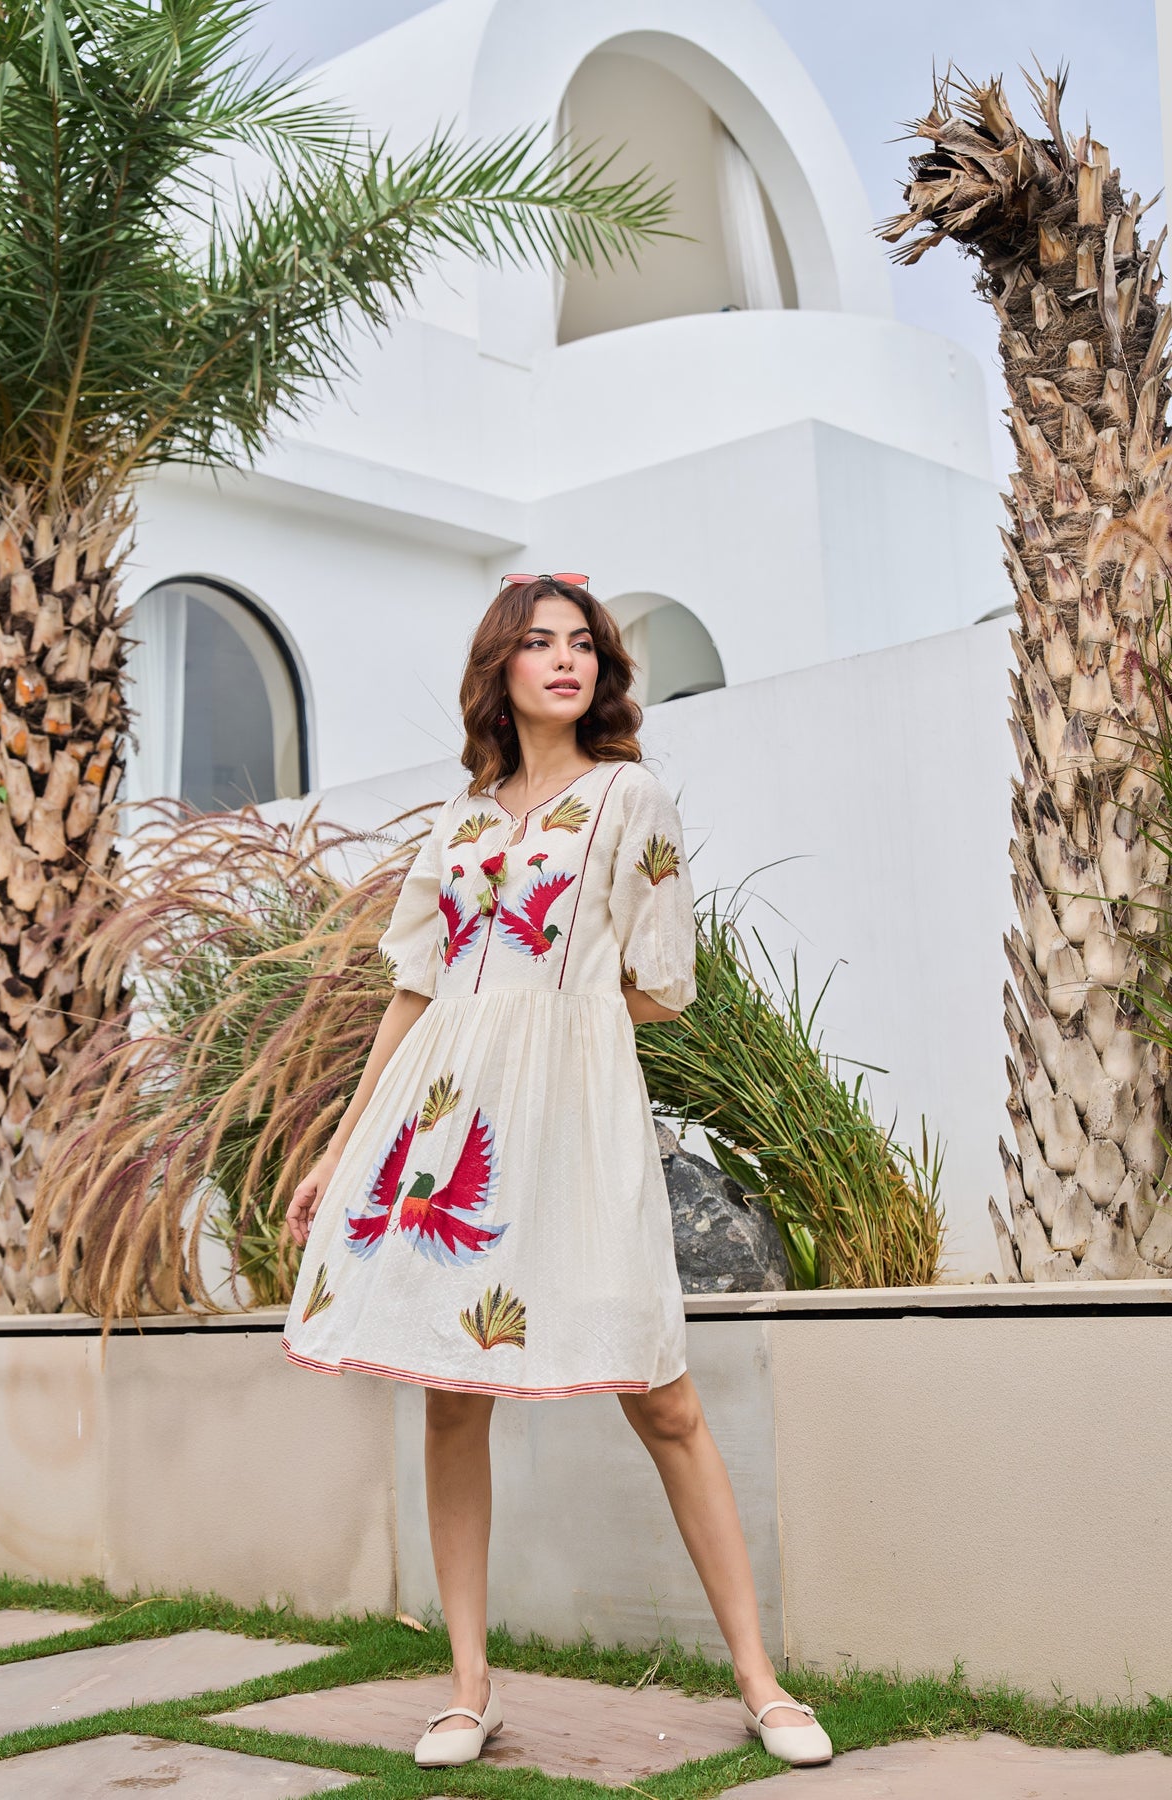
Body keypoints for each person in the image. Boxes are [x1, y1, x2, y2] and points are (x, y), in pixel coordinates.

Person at [282, 574, 832, 1771]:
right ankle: (468, 1688)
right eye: (539, 643)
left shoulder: (631, 798)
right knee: (452, 1394)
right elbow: (413, 993)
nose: (566, 660)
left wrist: (557, 1022)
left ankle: (762, 1681)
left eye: (583, 643)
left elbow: (664, 985)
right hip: (447, 1122)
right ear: (503, 669)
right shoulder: (459, 821)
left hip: (576, 1119)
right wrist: (338, 1148)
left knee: (661, 1391)